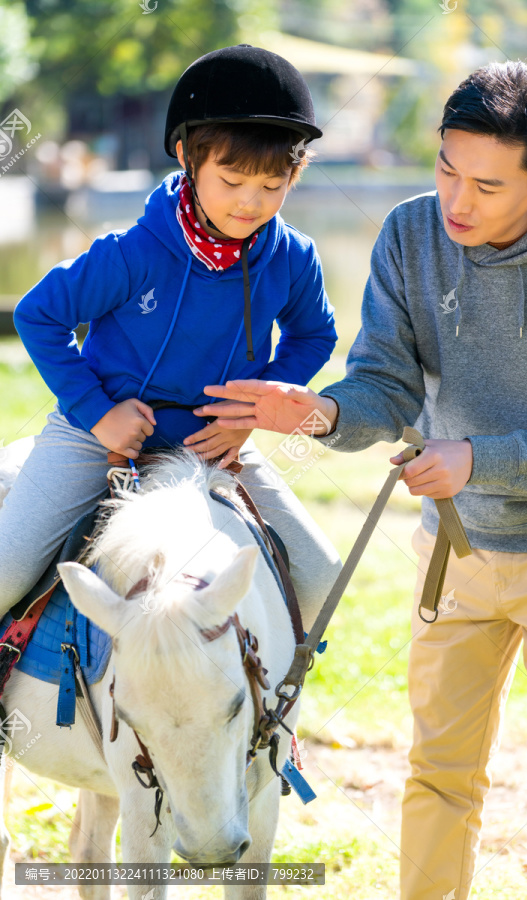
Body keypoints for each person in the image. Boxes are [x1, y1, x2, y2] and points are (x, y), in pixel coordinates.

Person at [198, 60, 527, 899]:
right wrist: (311, 413)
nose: (457, 201)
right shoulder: (413, 236)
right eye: (446, 168)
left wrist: (475, 459)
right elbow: (385, 384)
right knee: (438, 775)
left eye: (486, 185)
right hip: (455, 552)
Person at [0, 44, 342, 632]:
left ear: (295, 173)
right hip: (95, 435)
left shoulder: (293, 255)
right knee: (5, 573)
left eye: (272, 184)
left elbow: (315, 335)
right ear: (187, 156)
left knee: (319, 578)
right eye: (232, 180)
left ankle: (263, 716)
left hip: (214, 442)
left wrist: (252, 412)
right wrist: (97, 412)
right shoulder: (130, 252)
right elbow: (38, 315)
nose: (250, 202)